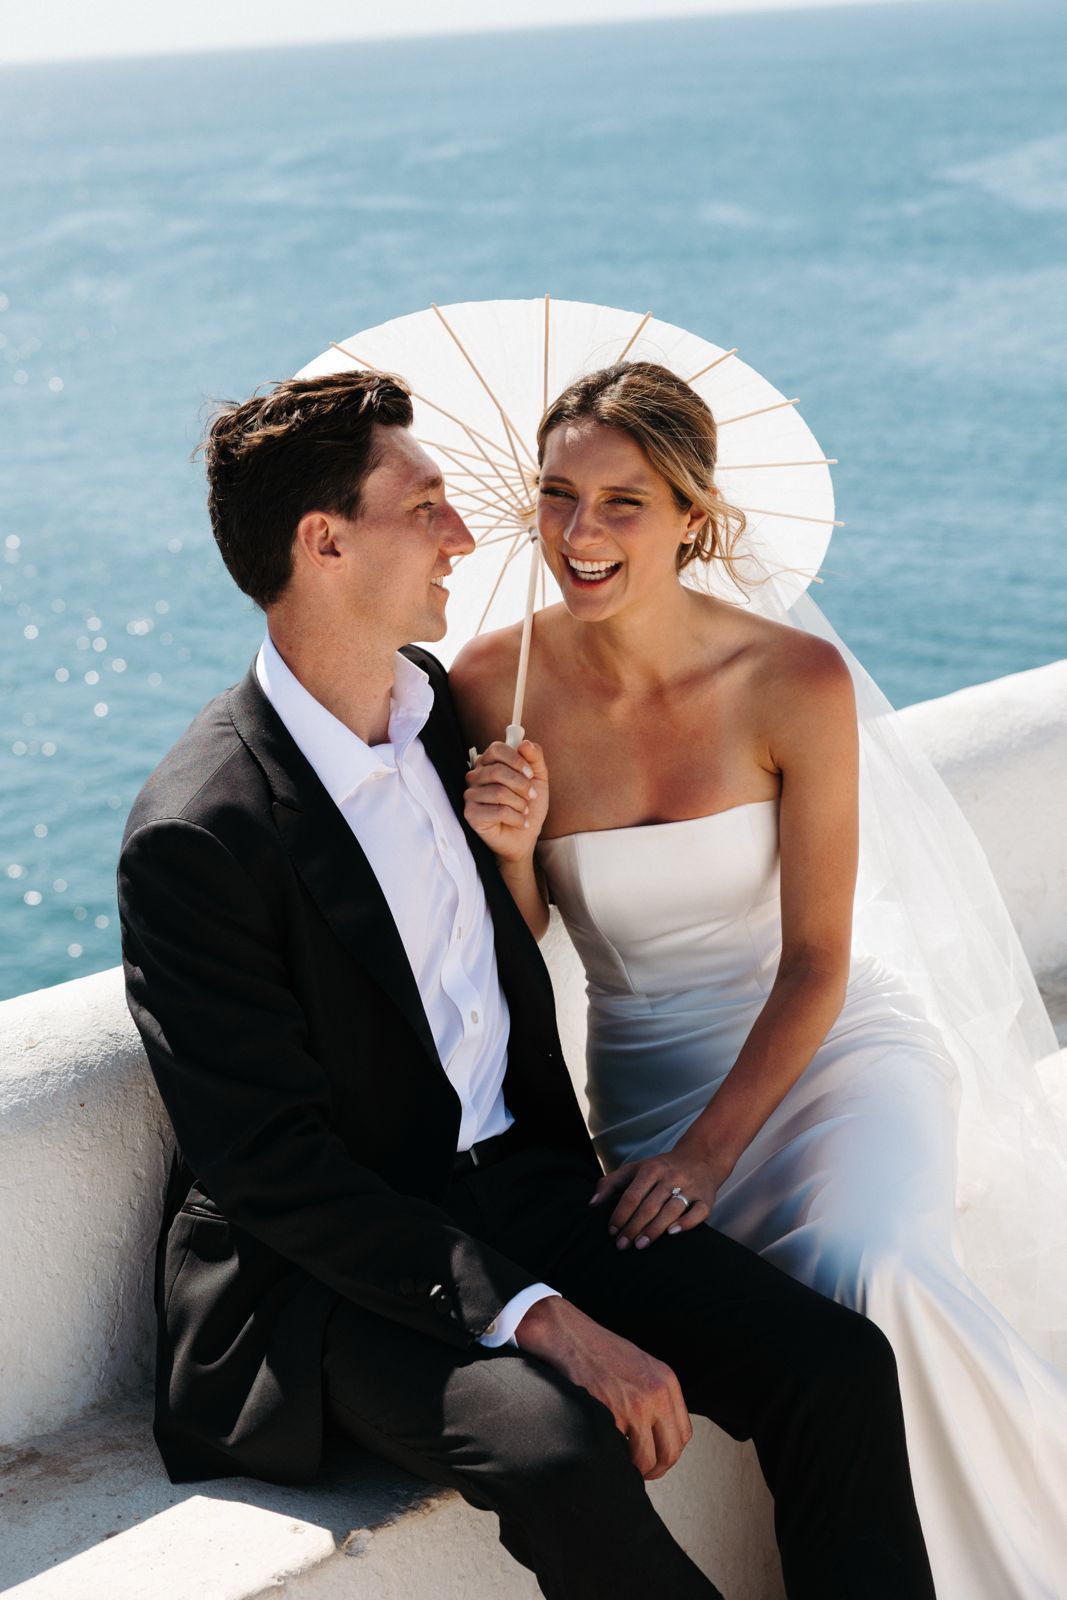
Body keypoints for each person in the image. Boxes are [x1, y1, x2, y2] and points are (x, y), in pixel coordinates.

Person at [116, 368, 937, 1600]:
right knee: (560, 1446)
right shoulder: (198, 831)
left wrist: (512, 855)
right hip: (338, 1271)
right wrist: (541, 1315)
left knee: (835, 1368)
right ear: (324, 542)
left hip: (529, 1189)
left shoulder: (457, 719)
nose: (467, 533)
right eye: (428, 506)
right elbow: (273, 1167)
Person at [455, 359, 1067, 1600]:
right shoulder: (487, 687)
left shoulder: (792, 680)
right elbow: (519, 962)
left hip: (825, 1050)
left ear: (694, 516)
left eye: (622, 502)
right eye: (558, 494)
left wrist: (707, 1159)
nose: (580, 534)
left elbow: (819, 958)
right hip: (642, 1083)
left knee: (872, 1260)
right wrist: (512, 858)